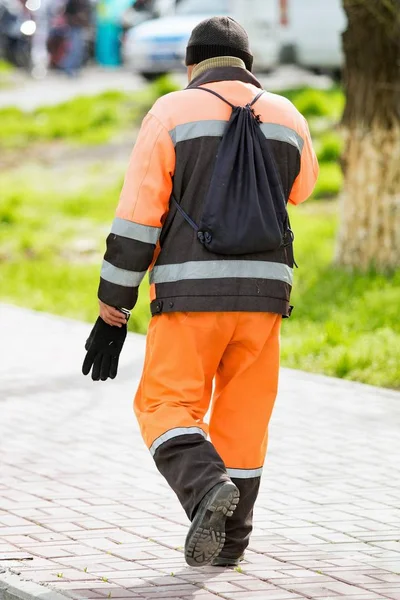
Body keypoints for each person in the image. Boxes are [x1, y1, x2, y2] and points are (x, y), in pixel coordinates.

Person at [83, 16, 318, 567]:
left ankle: (206, 485)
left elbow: (139, 219)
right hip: (265, 297)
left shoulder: (170, 111)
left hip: (190, 296)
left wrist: (113, 304)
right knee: (243, 415)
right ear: (248, 65)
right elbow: (303, 188)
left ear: (192, 65)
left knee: (165, 403)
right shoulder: (286, 113)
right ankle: (230, 546)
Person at [59, 0, 91, 75]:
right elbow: (67, 14)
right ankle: (68, 68)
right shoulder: (72, 2)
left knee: (79, 50)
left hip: (79, 27)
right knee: (74, 49)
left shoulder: (82, 3)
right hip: (73, 27)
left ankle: (73, 68)